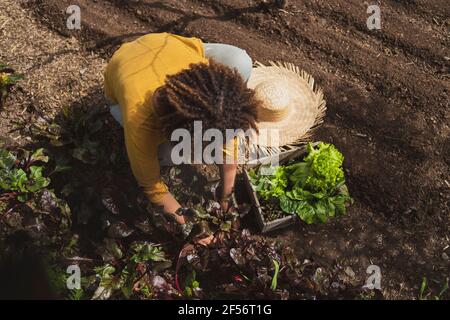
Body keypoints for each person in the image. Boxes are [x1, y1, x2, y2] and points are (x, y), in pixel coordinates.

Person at [104, 32, 261, 245]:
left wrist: (227, 199)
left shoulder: (201, 79)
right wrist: (195, 229)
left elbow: (226, 128)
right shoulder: (140, 122)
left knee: (241, 62)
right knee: (167, 155)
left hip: (163, 45)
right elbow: (152, 187)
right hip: (123, 68)